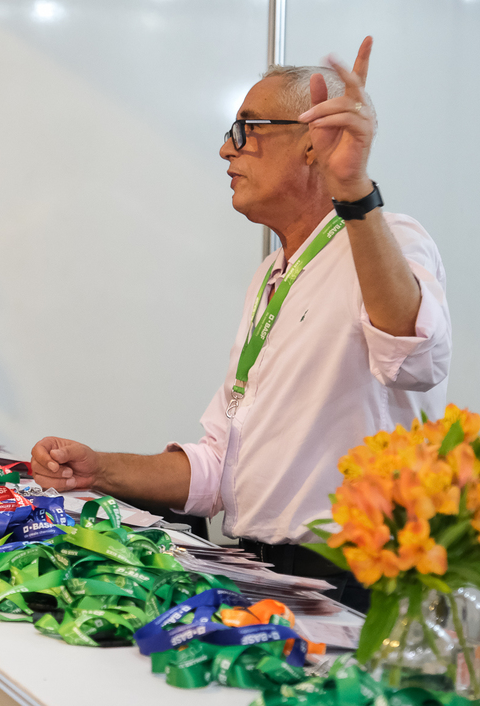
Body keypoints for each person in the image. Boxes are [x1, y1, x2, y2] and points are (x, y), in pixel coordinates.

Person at [31, 38, 450, 612]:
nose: (227, 151)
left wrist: (353, 190)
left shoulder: (389, 238)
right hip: (264, 566)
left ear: (312, 143)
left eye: (246, 129)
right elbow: (216, 468)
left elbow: (416, 357)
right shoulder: (271, 276)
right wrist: (96, 469)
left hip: (356, 578)